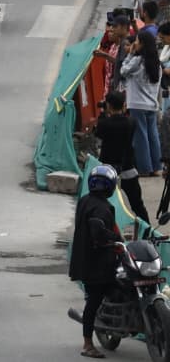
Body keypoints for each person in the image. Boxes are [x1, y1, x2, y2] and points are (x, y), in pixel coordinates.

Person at [70, 163, 123, 359]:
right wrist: (116, 238)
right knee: (94, 301)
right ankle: (87, 344)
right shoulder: (102, 207)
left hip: (86, 259)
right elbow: (98, 232)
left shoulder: (85, 200)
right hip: (96, 264)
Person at [95, 89, 149, 223]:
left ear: (108, 105)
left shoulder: (104, 123)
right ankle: (147, 229)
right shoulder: (131, 122)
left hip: (108, 170)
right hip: (128, 168)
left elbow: (98, 133)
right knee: (137, 204)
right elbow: (126, 119)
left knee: (104, 203)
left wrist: (102, 113)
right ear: (124, 105)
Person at [120, 28, 162, 175]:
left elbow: (123, 70)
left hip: (137, 104)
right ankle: (157, 167)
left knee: (141, 137)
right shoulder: (157, 64)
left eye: (137, 41)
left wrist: (130, 54)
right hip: (152, 104)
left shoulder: (137, 60)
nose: (135, 44)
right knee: (153, 135)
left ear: (143, 44)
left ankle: (144, 168)